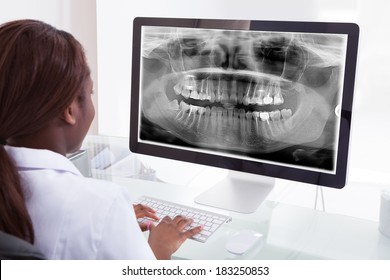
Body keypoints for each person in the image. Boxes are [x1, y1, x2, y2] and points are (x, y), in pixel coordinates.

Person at [0, 19, 201, 260]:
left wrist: (112, 225)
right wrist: (160, 248)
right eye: (89, 93)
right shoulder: (100, 204)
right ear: (69, 110)